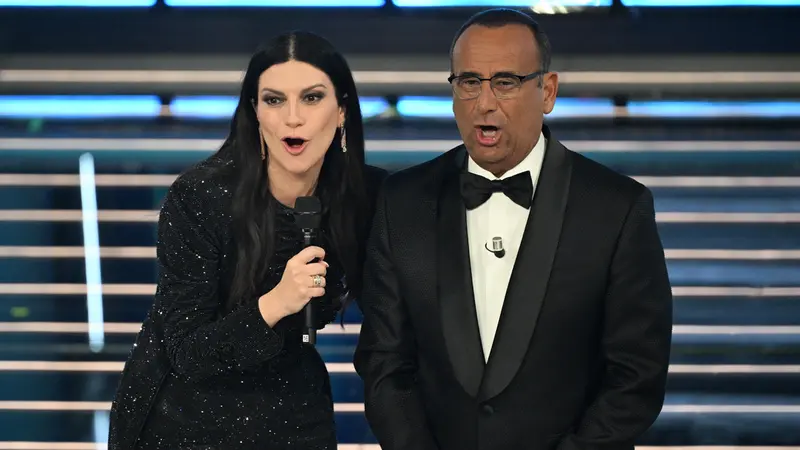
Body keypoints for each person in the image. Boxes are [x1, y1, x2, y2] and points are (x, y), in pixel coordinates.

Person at [354, 8, 673, 450]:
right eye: (469, 82)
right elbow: (384, 362)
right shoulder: (402, 201)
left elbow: (637, 374)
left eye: (505, 82)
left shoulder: (617, 208)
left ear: (548, 91)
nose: (485, 102)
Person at [108, 30, 387, 449]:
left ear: (343, 109)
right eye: (274, 100)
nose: (293, 117)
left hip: (291, 405)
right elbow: (186, 352)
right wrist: (276, 304)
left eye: (312, 98)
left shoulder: (367, 198)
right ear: (255, 111)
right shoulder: (200, 198)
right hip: (181, 415)